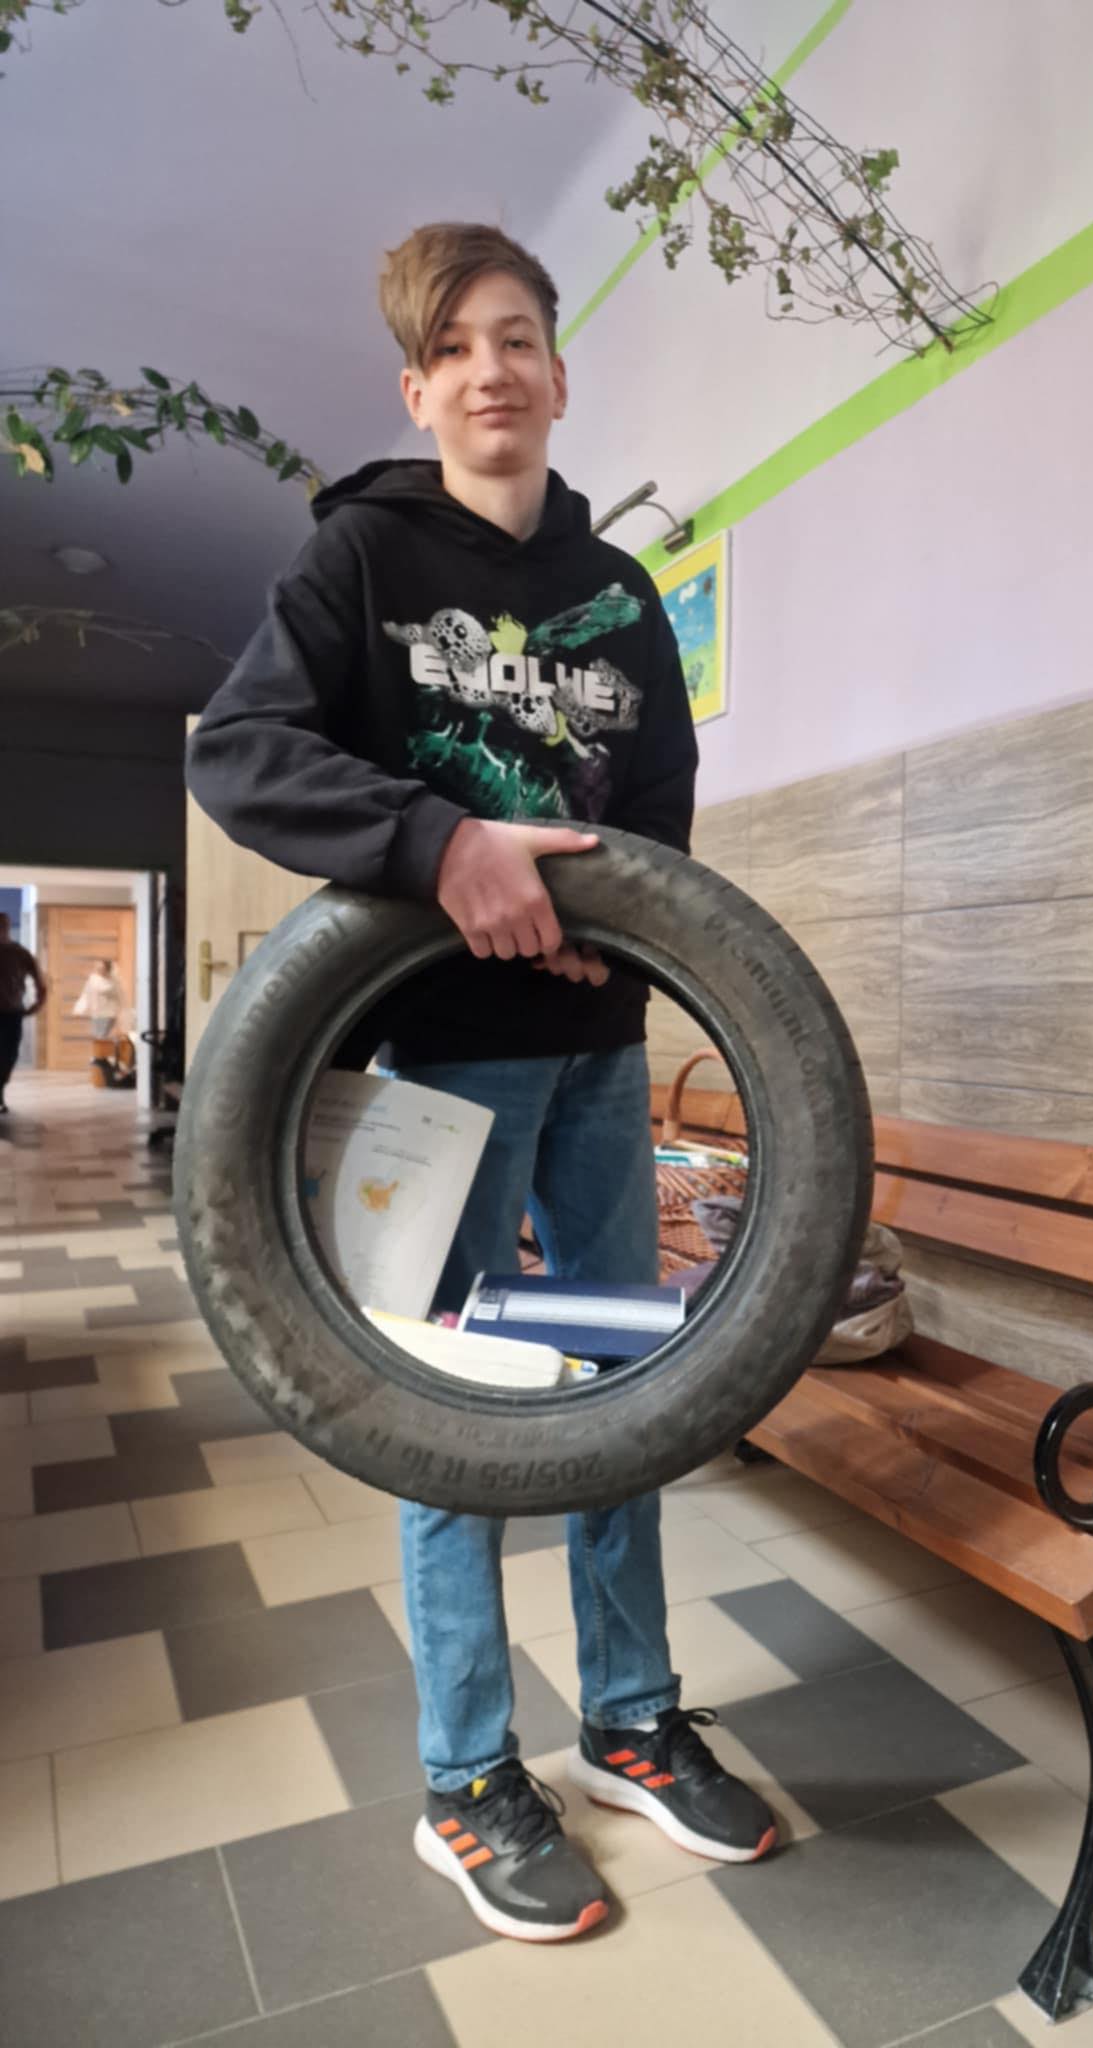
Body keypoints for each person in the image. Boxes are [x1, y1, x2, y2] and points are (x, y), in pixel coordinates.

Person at [185, 222, 776, 1945]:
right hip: (434, 1064)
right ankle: (465, 1779)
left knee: (618, 1393)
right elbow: (242, 750)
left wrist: (620, 935)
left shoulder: (621, 596)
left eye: (516, 337)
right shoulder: (362, 558)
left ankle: (631, 1721)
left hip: (596, 1058)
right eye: (455, 347)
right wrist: (440, 843)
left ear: (559, 374)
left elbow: (656, 814)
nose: (490, 370)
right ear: (418, 386)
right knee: (444, 1415)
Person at [0, 912, 47, 1113]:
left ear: (8, 927)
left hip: (12, 1013)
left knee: (8, 1056)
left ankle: (0, 1091)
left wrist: (38, 1003)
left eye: (3, 925)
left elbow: (40, 981)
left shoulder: (20, 953)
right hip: (12, 1012)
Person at [72, 957, 125, 1041]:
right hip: (97, 1013)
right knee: (97, 1037)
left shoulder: (114, 981)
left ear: (107, 969)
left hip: (109, 1014)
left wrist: (123, 1013)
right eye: (98, 968)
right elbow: (86, 995)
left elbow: (120, 997)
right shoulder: (93, 980)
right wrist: (79, 1009)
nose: (100, 970)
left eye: (102, 968)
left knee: (101, 1037)